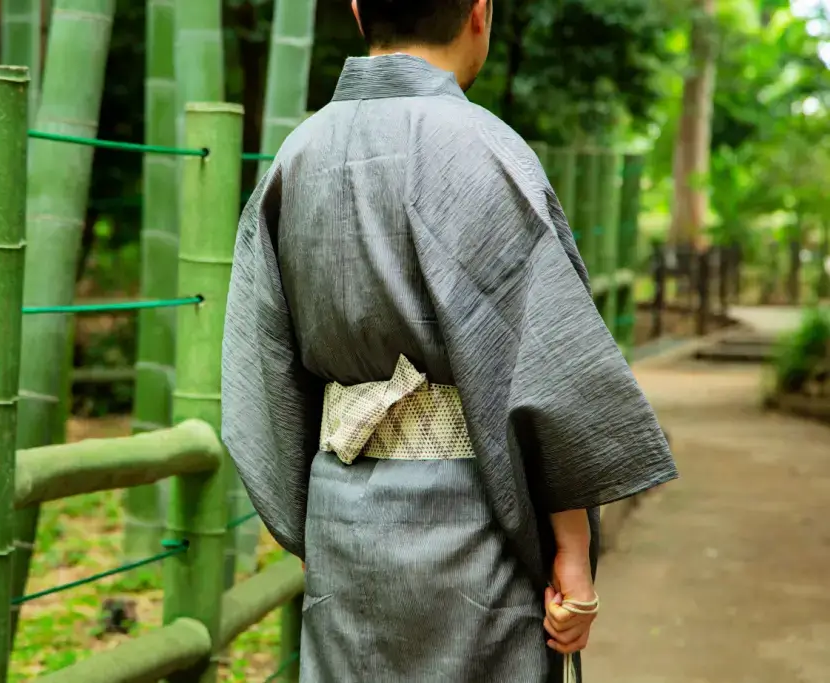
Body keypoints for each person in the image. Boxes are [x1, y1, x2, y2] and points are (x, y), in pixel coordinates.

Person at [221, 1, 678, 681]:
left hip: (343, 525)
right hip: (472, 527)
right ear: (479, 12)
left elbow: (264, 371)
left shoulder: (297, 155)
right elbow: (551, 371)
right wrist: (573, 555)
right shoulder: (487, 151)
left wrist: (310, 524)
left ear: (356, 9)